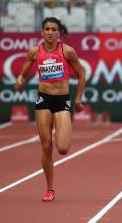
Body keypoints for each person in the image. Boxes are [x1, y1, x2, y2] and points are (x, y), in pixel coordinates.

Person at [13, 17, 86, 202]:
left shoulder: (67, 51)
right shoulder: (34, 52)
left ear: (58, 32)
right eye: (47, 29)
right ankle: (50, 189)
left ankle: (64, 130)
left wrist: (77, 99)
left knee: (62, 148)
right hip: (43, 100)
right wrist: (20, 80)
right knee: (46, 147)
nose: (51, 32)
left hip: (62, 100)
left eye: (54, 29)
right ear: (42, 32)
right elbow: (24, 72)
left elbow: (81, 74)